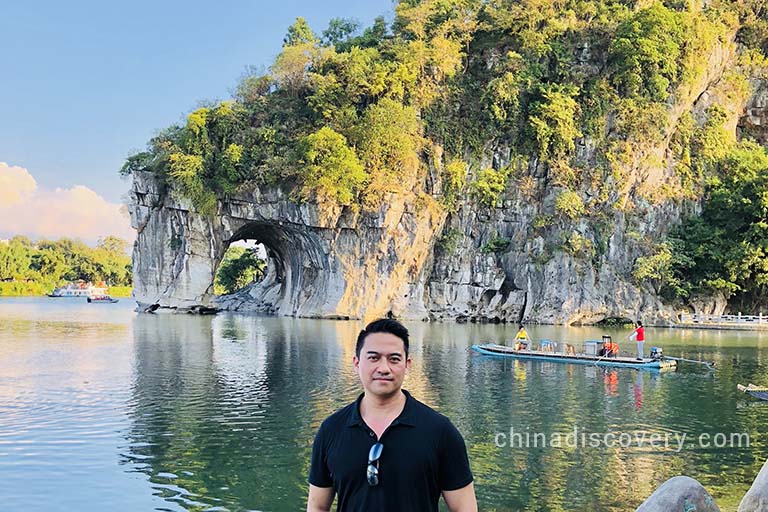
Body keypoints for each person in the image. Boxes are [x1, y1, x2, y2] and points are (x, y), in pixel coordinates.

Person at [307, 318, 477, 512]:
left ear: (407, 364)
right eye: (374, 358)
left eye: (394, 359)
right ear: (356, 362)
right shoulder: (331, 430)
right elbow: (318, 506)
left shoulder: (440, 431)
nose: (384, 368)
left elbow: (464, 508)